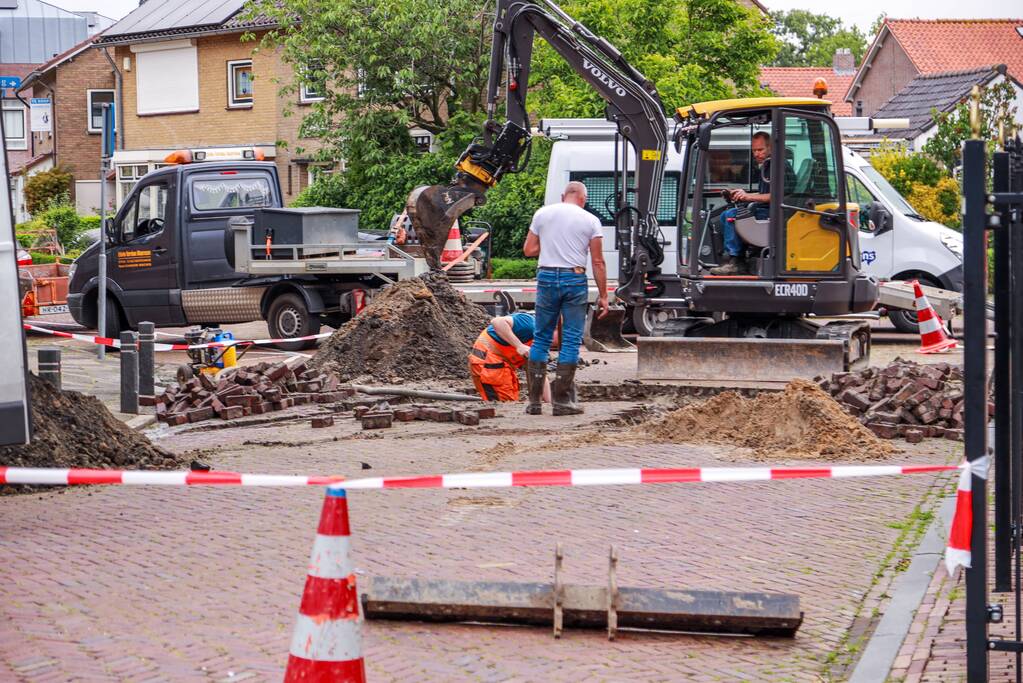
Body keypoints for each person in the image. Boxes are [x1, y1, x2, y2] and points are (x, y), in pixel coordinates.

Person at [522, 181, 609, 416]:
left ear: (564, 196)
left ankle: (534, 403)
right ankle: (562, 403)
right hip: (574, 278)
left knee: (540, 338)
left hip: (547, 277)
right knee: (570, 340)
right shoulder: (590, 220)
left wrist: (551, 245)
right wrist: (603, 295)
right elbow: (598, 261)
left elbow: (529, 250)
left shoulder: (543, 214)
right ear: (583, 198)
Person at [711, 131, 773, 276]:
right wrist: (741, 194)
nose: (756, 154)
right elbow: (764, 193)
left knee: (732, 216)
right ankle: (738, 258)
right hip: (765, 209)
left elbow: (776, 197)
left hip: (772, 214)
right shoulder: (766, 166)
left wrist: (748, 198)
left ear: (770, 147)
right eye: (754, 151)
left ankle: (735, 261)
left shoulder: (778, 167)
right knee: (724, 215)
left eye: (760, 150)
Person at [468, 312, 551, 403]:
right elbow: (497, 321)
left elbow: (540, 372)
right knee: (502, 403)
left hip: (501, 366)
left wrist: (549, 402)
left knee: (510, 400)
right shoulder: (530, 324)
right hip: (488, 363)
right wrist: (519, 345)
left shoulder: (542, 341)